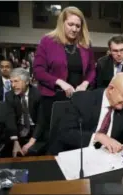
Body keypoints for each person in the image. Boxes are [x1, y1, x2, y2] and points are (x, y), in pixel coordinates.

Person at [33, 6, 96, 138]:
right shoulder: (47, 41)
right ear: (62, 23)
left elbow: (91, 70)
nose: (74, 29)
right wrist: (60, 82)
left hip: (78, 100)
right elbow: (38, 70)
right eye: (71, 24)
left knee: (76, 138)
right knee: (54, 139)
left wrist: (85, 84)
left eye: (78, 26)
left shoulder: (86, 44)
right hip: (53, 100)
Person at [49, 72, 123, 154]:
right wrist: (98, 137)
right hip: (75, 155)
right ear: (111, 89)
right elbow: (64, 133)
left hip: (106, 158)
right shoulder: (82, 99)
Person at [4, 68, 44, 157]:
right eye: (11, 82)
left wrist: (30, 143)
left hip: (35, 129)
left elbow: (41, 121)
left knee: (32, 151)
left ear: (26, 82)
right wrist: (15, 141)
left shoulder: (38, 95)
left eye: (16, 81)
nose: (13, 85)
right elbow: (10, 118)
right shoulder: (9, 96)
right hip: (19, 128)